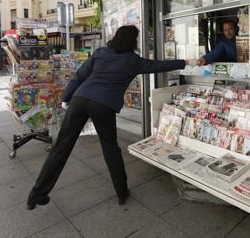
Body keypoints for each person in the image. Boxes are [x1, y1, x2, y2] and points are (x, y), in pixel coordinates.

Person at [27, 25, 195, 210]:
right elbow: (159, 66)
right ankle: (122, 193)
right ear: (133, 41)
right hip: (103, 105)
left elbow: (80, 75)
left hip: (80, 99)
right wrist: (186, 62)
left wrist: (65, 98)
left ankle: (37, 194)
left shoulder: (100, 53)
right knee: (110, 148)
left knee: (61, 146)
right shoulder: (133, 61)